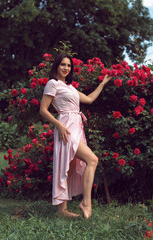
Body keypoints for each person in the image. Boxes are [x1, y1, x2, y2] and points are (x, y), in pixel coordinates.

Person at [39, 53, 112, 219]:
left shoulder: (70, 87)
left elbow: (89, 99)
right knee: (92, 160)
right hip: (65, 128)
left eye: (69, 66)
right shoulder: (53, 84)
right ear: (56, 66)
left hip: (76, 126)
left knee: (69, 168)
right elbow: (43, 110)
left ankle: (62, 211)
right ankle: (86, 202)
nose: (66, 68)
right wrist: (59, 126)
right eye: (63, 65)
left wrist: (103, 83)